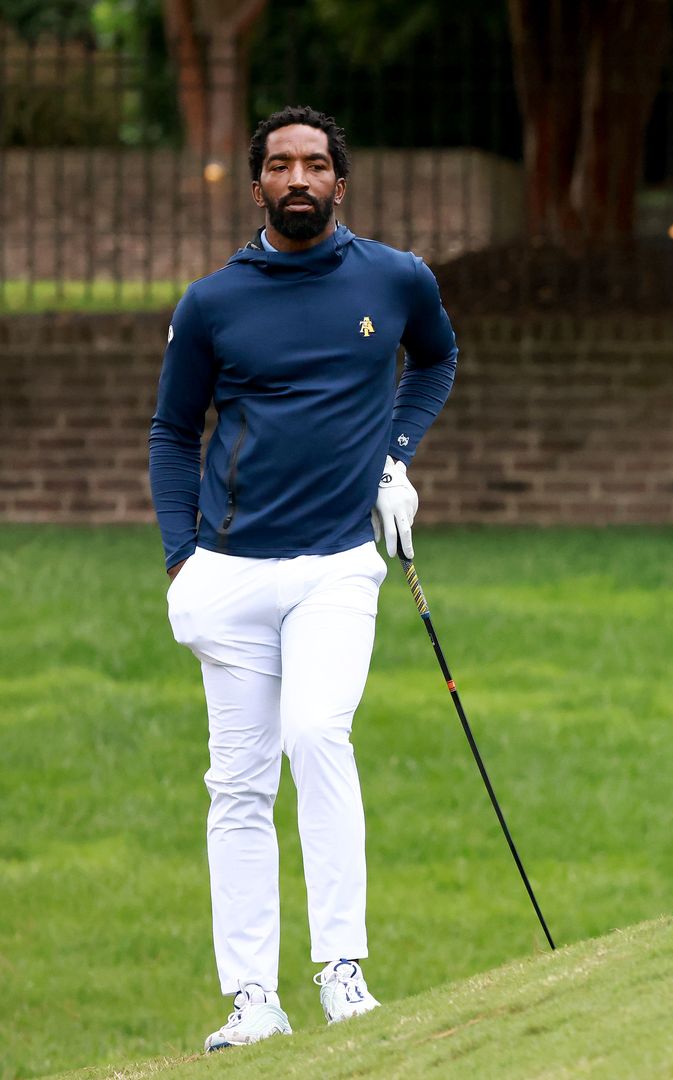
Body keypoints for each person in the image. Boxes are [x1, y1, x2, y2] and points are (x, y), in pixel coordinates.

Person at [149, 105, 459, 1049]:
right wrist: (179, 557)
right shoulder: (212, 303)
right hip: (232, 573)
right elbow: (172, 431)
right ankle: (253, 998)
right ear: (256, 187)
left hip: (335, 566)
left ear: (339, 181)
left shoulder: (397, 279)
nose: (297, 179)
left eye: (314, 165)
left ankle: (342, 972)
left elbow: (436, 360)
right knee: (237, 787)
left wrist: (395, 458)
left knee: (318, 735)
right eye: (280, 165)